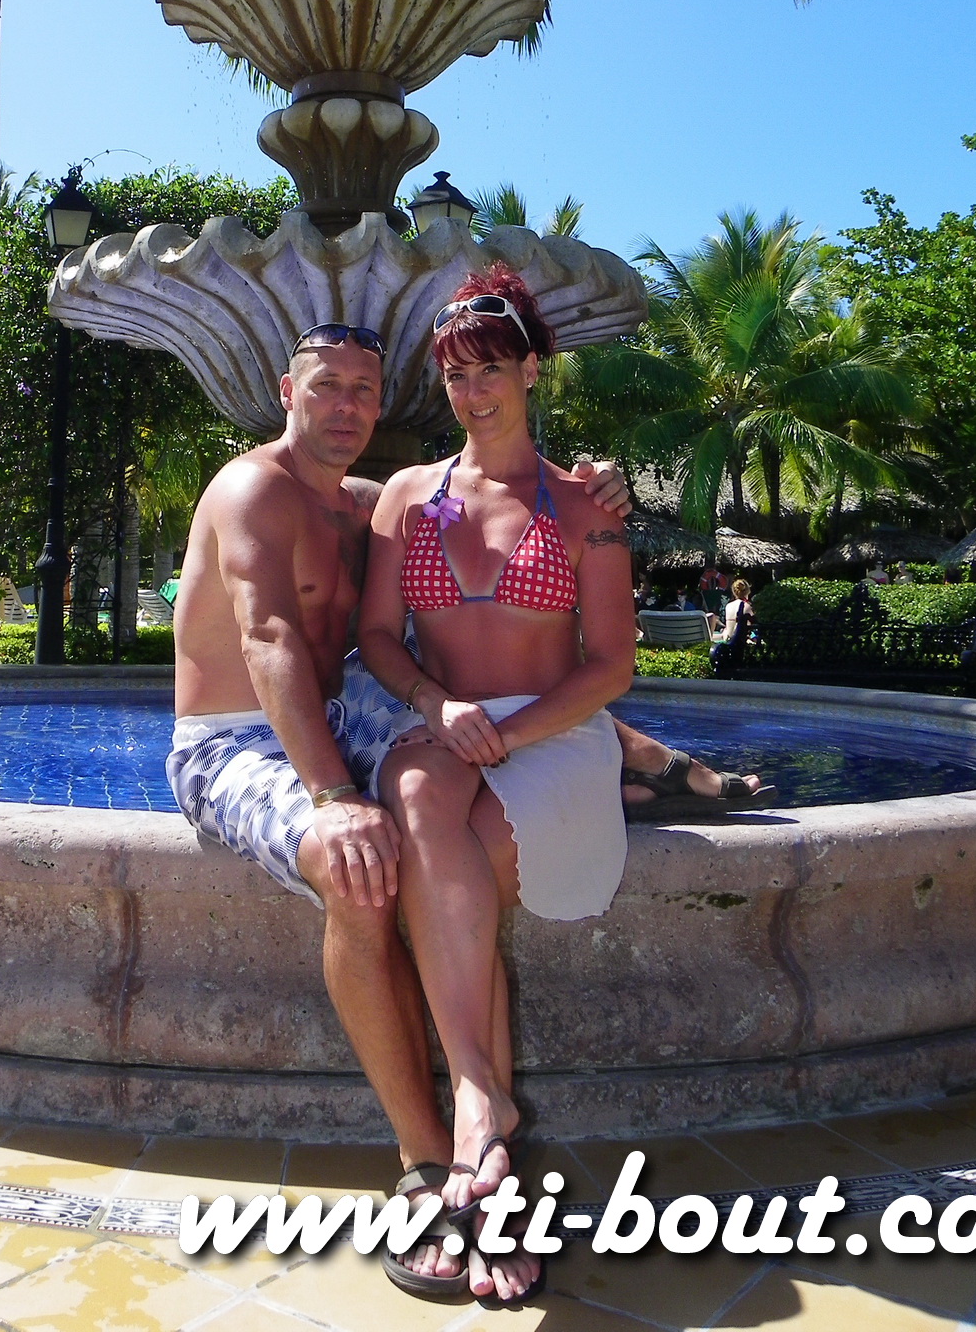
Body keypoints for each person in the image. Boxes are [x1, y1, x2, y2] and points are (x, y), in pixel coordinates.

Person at [166, 316, 759, 1303]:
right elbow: (268, 637)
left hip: (341, 710)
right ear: (285, 392)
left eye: (365, 389)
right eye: (327, 386)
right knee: (358, 869)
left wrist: (606, 488)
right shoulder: (250, 489)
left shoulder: (374, 502)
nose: (348, 406)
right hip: (236, 735)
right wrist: (331, 798)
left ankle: (632, 761)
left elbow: (482, 546)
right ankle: (425, 1160)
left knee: (439, 822)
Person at [359, 271, 768, 1305]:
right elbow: (376, 635)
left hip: (555, 729)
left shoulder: (587, 504)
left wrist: (507, 730)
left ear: (532, 370)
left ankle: (476, 1128)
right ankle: (483, 1113)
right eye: (456, 376)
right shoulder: (408, 495)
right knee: (420, 803)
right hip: (443, 722)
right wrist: (438, 703)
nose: (473, 393)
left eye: (491, 370)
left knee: (460, 871)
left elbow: (612, 666)